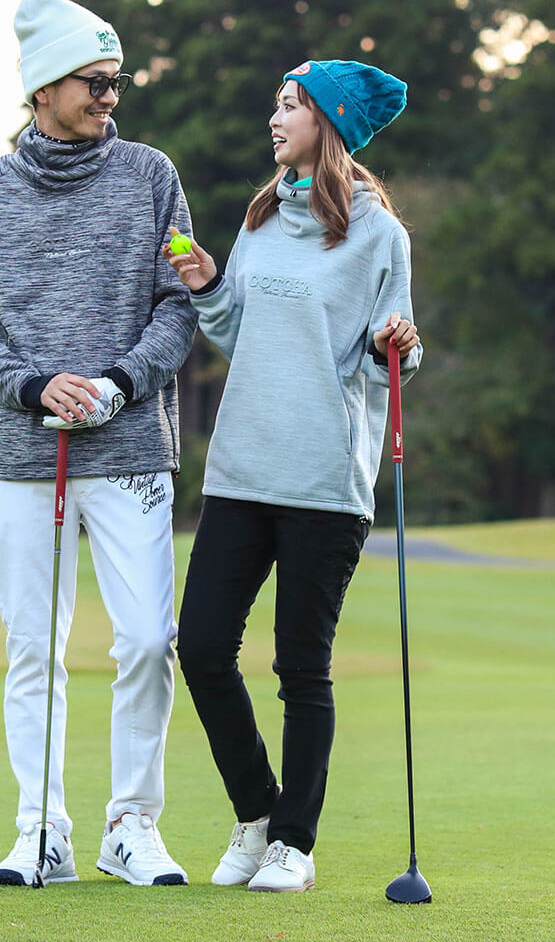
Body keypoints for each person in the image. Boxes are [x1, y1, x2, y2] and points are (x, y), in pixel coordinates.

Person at [0, 0, 197, 887]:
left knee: (148, 641)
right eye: (94, 81)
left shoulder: (152, 175)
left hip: (131, 452)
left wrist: (119, 383)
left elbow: (178, 305)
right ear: (43, 87)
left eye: (117, 81)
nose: (109, 97)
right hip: (24, 456)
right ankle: (41, 831)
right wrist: (29, 383)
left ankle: (132, 825)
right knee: (33, 649)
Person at [163, 59, 422, 892]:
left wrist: (399, 346)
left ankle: (294, 846)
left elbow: (390, 360)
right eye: (275, 104)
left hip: (322, 481)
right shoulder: (264, 216)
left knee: (301, 669)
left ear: (328, 123)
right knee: (202, 647)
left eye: (290, 106)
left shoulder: (379, 235)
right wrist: (207, 284)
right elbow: (238, 333)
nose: (274, 119)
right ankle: (257, 814)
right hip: (241, 469)